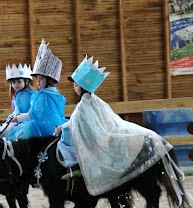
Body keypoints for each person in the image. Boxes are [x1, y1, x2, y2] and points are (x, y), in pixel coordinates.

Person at [54, 55, 180, 197]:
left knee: (67, 143)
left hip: (97, 138)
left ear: (82, 86)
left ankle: (74, 168)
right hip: (104, 131)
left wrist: (61, 128)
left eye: (76, 84)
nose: (74, 86)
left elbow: (76, 123)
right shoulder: (94, 100)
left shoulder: (84, 105)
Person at [4, 39, 67, 140]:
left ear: (49, 79)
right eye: (37, 79)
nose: (37, 82)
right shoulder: (53, 93)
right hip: (49, 124)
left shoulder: (43, 95)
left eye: (41, 79)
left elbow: (36, 113)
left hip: (41, 127)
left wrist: (18, 118)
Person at [0, 63, 36, 134]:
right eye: (13, 82)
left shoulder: (31, 94)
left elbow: (34, 109)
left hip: (27, 122)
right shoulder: (17, 95)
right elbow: (17, 110)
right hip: (17, 121)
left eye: (19, 82)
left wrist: (19, 117)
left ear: (26, 81)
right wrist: (10, 117)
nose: (16, 85)